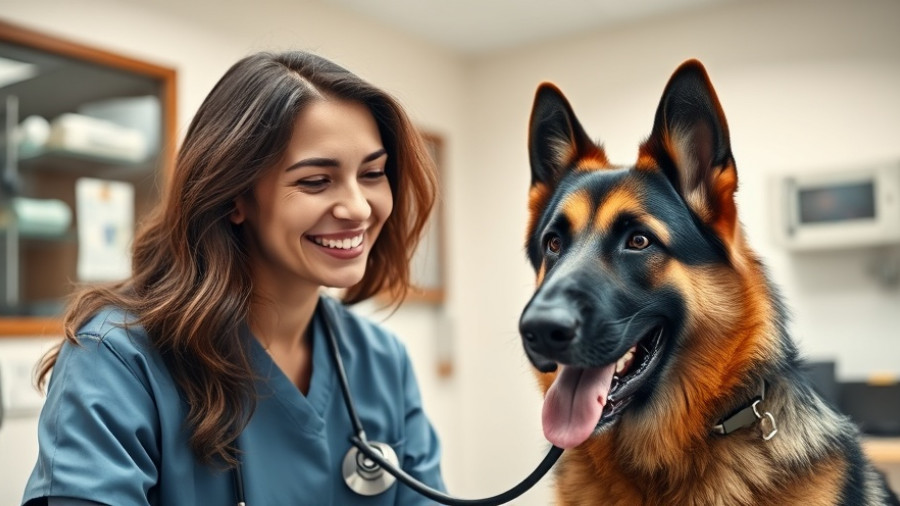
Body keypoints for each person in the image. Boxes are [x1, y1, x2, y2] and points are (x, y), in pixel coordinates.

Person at [22, 50, 445, 505]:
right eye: (316, 181)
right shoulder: (118, 359)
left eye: (373, 174)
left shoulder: (382, 363)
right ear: (235, 197)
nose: (358, 208)